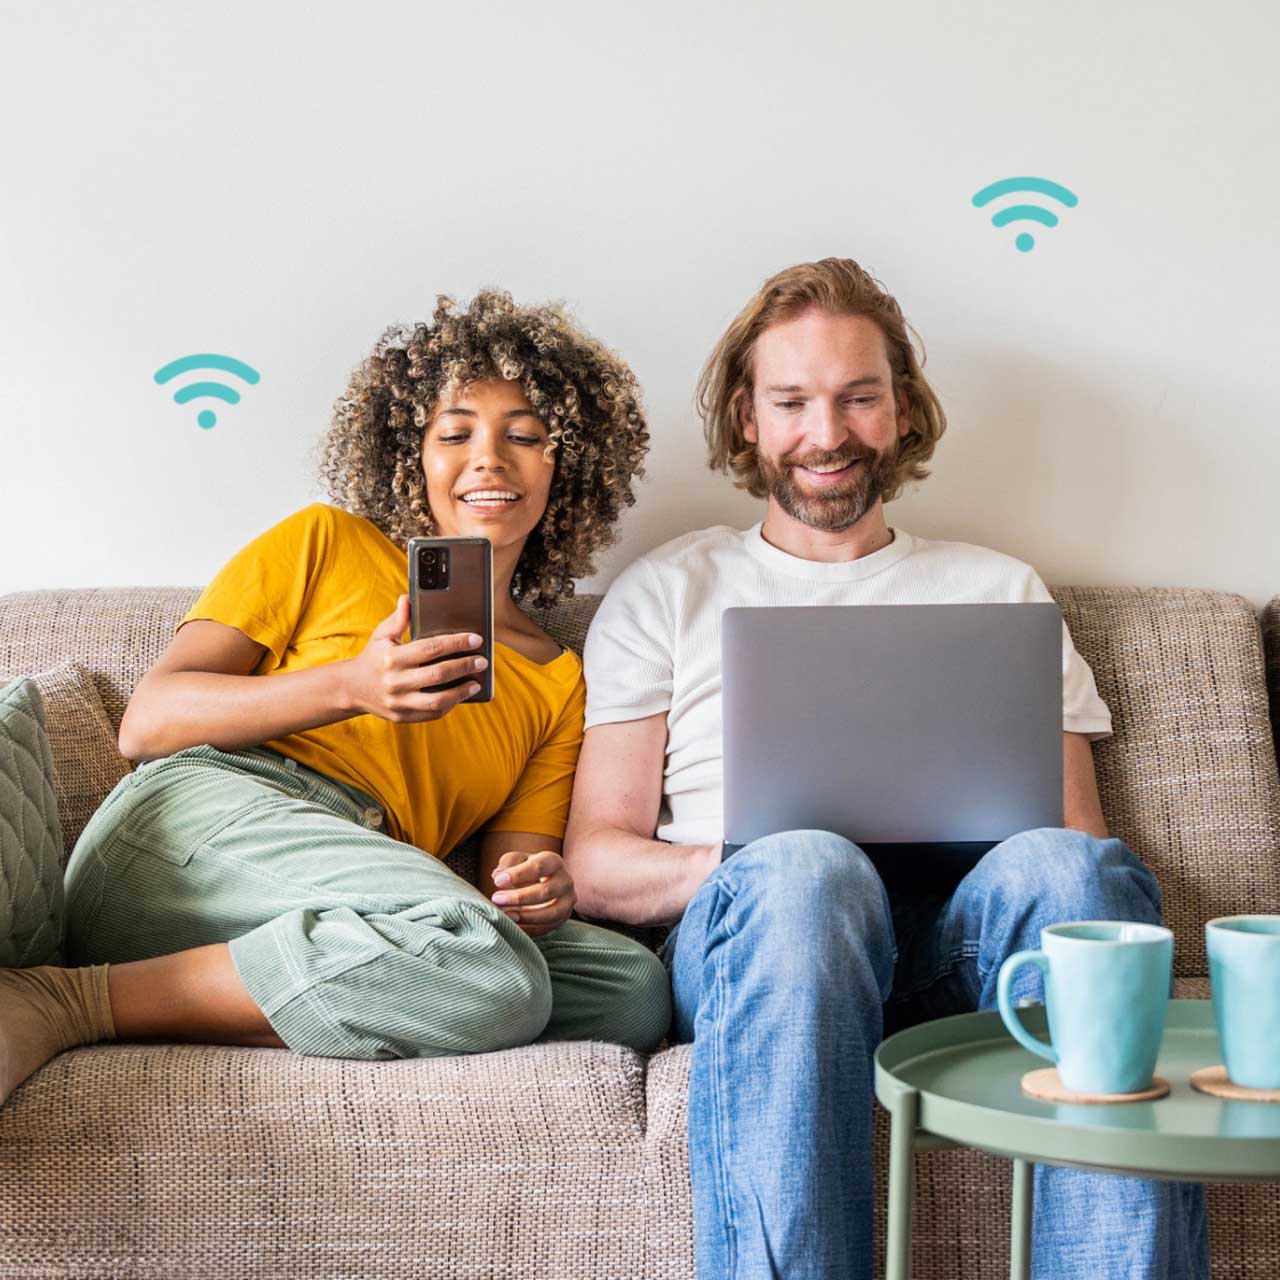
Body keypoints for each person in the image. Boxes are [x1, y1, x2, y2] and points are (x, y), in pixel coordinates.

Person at [562, 258, 1208, 1279]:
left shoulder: (998, 591)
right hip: (769, 945)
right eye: (792, 402)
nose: (827, 433)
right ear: (745, 418)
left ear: (900, 410)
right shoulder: (668, 591)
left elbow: (1077, 853)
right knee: (806, 871)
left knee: (1071, 879)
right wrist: (763, 856)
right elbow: (596, 864)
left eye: (858, 397)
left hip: (965, 951)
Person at [0, 289, 671, 1108]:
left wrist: (542, 887)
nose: (489, 459)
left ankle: (243, 988)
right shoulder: (324, 541)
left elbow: (508, 875)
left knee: (630, 988)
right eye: (455, 434)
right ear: (409, 457)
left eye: (524, 436)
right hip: (201, 828)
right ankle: (69, 1001)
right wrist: (352, 685)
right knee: (488, 967)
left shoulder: (560, 680)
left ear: (565, 466)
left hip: (353, 890)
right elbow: (150, 723)